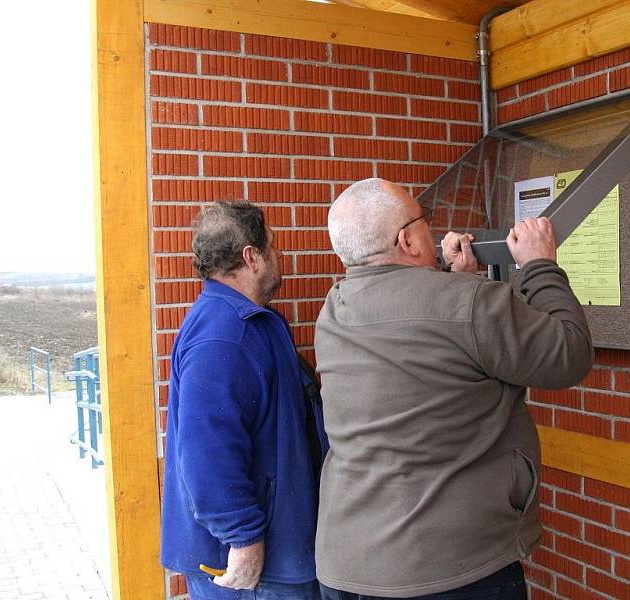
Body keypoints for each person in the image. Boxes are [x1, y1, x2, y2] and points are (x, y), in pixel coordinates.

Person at [314, 178, 593, 599]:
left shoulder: (334, 310)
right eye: (424, 221)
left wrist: (460, 280)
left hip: (349, 565)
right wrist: (539, 266)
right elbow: (569, 354)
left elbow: (431, 330)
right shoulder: (469, 305)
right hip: (450, 570)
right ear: (407, 239)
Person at [161, 201, 325, 600]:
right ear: (251, 257)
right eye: (272, 245)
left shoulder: (252, 321)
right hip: (255, 569)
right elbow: (206, 453)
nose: (280, 253)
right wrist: (243, 539)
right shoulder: (224, 335)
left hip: (279, 554)